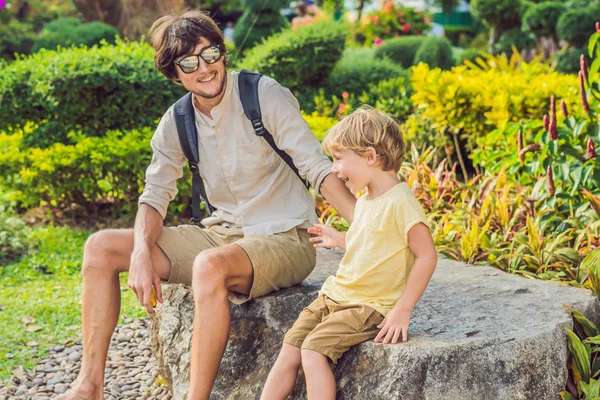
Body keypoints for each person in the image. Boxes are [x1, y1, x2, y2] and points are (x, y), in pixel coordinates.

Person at [56, 9, 356, 400]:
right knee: (100, 248)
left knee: (208, 266)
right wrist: (142, 251)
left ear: (222, 53)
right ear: (175, 73)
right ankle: (88, 386)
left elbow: (316, 167)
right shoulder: (177, 120)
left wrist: (365, 225)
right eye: (189, 62)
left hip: (286, 237)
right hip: (222, 235)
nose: (205, 68)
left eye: (211, 53)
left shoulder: (263, 94)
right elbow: (155, 193)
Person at [260, 106, 438, 400]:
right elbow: (375, 242)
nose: (334, 169)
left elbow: (426, 255)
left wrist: (402, 309)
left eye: (340, 159)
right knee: (290, 347)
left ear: (370, 156)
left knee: (313, 352)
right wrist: (342, 239)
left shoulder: (401, 203)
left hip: (367, 305)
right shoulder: (368, 199)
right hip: (335, 296)